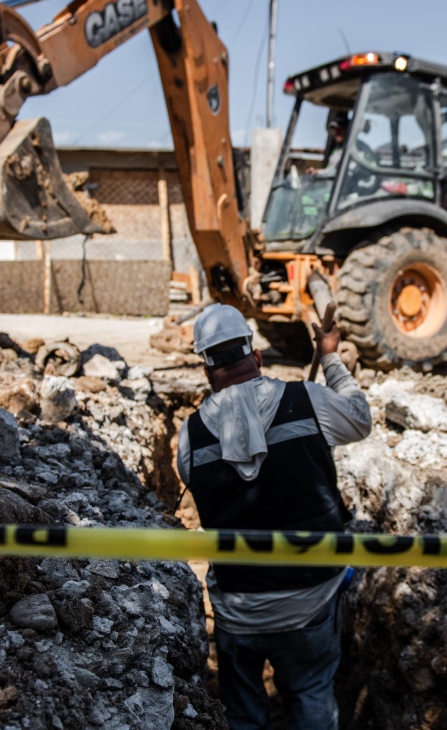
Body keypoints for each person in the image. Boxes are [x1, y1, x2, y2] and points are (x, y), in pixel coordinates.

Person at [176, 304, 371, 730]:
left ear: (206, 369)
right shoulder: (309, 400)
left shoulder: (188, 439)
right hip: (313, 598)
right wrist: (332, 357)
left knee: (242, 715)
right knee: (312, 693)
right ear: (257, 354)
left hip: (237, 607)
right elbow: (360, 418)